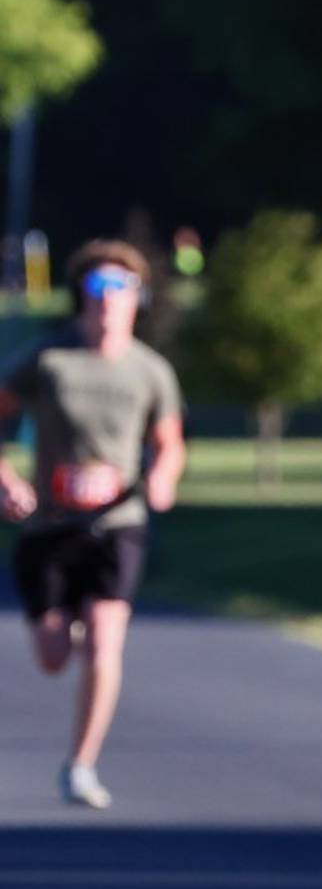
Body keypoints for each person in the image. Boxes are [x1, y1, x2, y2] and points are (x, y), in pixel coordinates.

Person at [0, 238, 186, 808]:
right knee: (55, 657)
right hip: (50, 527)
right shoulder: (48, 359)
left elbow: (169, 442)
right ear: (82, 295)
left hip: (118, 523)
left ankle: (81, 764)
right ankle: (72, 626)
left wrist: (162, 479)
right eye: (99, 287)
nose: (110, 300)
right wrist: (6, 479)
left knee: (108, 644)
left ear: (139, 298)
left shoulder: (151, 371)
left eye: (122, 288)